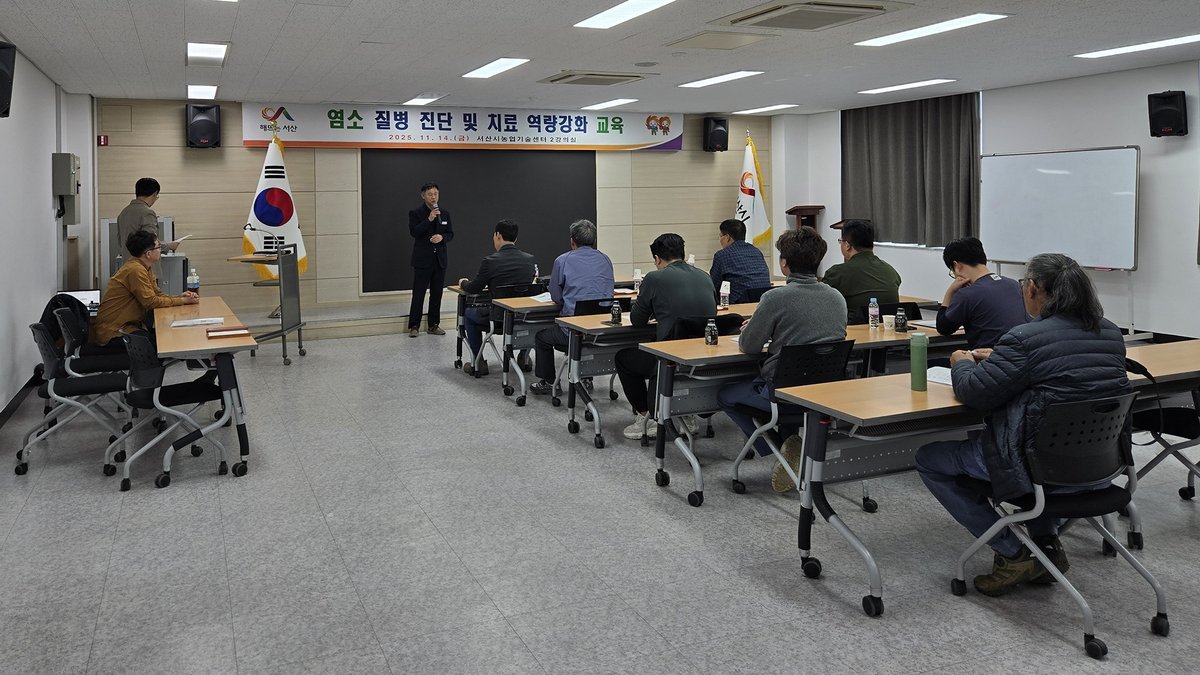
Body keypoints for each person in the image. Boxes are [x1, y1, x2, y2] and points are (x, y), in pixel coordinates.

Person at [915, 253, 1131, 597]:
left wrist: (961, 362)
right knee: (1041, 445)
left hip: (1034, 468)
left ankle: (1013, 553)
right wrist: (1003, 359)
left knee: (930, 458)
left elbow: (975, 393)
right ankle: (1046, 544)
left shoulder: (1025, 338)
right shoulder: (1110, 333)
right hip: (1097, 466)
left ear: (1032, 288)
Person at [717, 227, 847, 492]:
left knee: (726, 394)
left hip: (781, 395)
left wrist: (757, 327)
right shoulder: (836, 297)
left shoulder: (775, 298)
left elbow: (749, 345)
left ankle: (779, 450)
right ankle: (790, 447)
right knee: (788, 379)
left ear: (784, 263)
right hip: (825, 394)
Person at [615, 233, 716, 439]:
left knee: (623, 358)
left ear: (657, 259)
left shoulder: (654, 278)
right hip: (702, 357)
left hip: (670, 359)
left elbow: (637, 320)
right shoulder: (705, 276)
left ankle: (647, 416)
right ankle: (686, 414)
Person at [530, 219, 614, 395]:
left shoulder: (562, 261)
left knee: (542, 337)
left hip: (572, 333)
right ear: (594, 241)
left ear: (572, 241)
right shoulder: (606, 259)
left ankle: (549, 382)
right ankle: (586, 378)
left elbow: (556, 296)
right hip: (600, 330)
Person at [89, 230, 198, 350]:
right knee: (163, 342)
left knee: (164, 337)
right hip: (114, 332)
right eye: (158, 247)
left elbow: (157, 295)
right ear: (148, 254)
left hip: (129, 326)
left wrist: (180, 297)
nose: (160, 250)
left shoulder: (144, 267)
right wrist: (182, 301)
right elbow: (151, 302)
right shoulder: (135, 270)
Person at [457, 219, 537, 376]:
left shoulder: (490, 262)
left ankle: (478, 362)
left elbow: (474, 288)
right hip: (522, 318)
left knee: (468, 314)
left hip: (498, 318)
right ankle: (523, 357)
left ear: (498, 235)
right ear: (515, 238)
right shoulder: (529, 259)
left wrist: (463, 282)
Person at [936, 237, 1028, 350]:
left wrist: (950, 292)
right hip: (1023, 354)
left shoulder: (967, 294)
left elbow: (943, 328)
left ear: (957, 266)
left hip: (990, 357)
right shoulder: (1014, 285)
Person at [821, 219, 901, 322]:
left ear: (847, 245)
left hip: (851, 330)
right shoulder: (891, 271)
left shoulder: (837, 273)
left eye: (841, 241)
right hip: (887, 329)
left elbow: (820, 304)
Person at [407, 182, 454, 338]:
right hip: (422, 260)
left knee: (437, 293)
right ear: (423, 196)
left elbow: (450, 234)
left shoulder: (445, 213)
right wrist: (429, 219)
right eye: (430, 194)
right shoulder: (416, 213)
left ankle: (433, 325)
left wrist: (442, 237)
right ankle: (414, 325)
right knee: (419, 293)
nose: (433, 197)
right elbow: (414, 232)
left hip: (439, 259)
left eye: (436, 194)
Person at [709, 218, 771, 304]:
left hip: (737, 304)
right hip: (763, 302)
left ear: (727, 237)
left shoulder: (722, 255)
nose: (720, 240)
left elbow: (713, 286)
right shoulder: (756, 251)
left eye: (721, 236)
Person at [116, 177, 179, 253]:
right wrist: (168, 246)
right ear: (154, 194)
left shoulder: (123, 213)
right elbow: (149, 244)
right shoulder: (147, 213)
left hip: (128, 260)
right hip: (144, 260)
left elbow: (120, 242)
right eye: (156, 196)